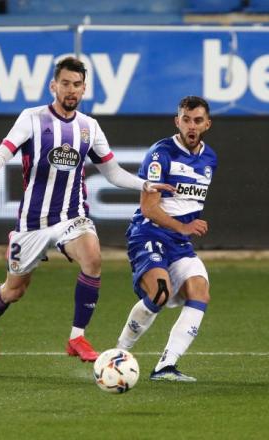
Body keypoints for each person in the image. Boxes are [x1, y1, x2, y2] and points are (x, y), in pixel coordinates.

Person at [0, 56, 174, 364]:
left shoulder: (89, 127)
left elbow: (113, 172)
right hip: (33, 223)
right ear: (53, 85)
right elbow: (2, 155)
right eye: (65, 84)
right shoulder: (31, 118)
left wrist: (144, 184)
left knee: (93, 257)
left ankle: (76, 338)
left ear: (84, 89)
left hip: (72, 215)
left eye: (77, 85)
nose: (71, 90)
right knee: (14, 290)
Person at [115, 95, 217, 382]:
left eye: (197, 120)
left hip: (179, 244)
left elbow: (187, 202)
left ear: (207, 124)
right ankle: (119, 353)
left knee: (200, 291)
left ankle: (166, 366)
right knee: (160, 292)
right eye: (186, 119)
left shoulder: (210, 159)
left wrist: (183, 231)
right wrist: (183, 227)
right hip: (148, 233)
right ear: (177, 121)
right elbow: (149, 207)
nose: (191, 125)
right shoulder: (161, 154)